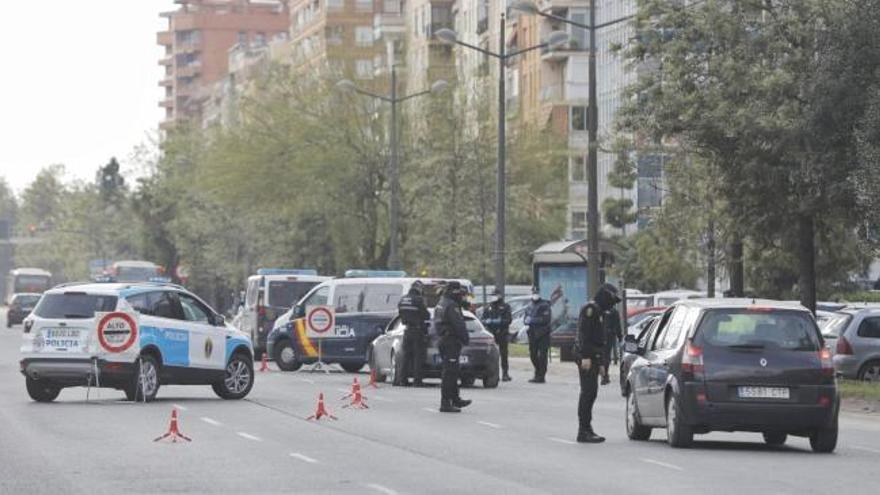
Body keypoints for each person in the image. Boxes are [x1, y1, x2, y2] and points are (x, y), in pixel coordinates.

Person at [575, 283, 621, 444]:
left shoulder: (600, 311)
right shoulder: (590, 309)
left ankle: (587, 428)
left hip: (594, 356)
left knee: (592, 393)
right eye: (612, 300)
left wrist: (601, 363)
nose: (613, 304)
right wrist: (586, 356)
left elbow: (599, 340)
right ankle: (583, 430)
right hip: (586, 357)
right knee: (587, 393)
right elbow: (584, 335)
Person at [433, 281, 472, 413]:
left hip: (444, 339)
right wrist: (465, 338)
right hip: (450, 341)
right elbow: (458, 324)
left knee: (453, 371)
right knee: (449, 373)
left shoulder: (442, 302)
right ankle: (445, 403)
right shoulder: (451, 305)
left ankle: (455, 398)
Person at [397, 281, 430, 387]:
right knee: (417, 356)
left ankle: (402, 380)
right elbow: (426, 315)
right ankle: (417, 381)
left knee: (406, 356)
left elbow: (400, 314)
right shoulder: (418, 300)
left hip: (406, 330)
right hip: (417, 330)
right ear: (418, 288)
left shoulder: (402, 299)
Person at [481, 291, 513, 382]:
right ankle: (494, 374)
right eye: (492, 296)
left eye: (495, 296)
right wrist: (488, 321)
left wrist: (500, 322)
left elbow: (509, 320)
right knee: (492, 355)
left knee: (504, 354)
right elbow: (482, 319)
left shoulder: (505, 307)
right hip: (491, 334)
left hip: (502, 333)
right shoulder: (488, 307)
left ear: (499, 296)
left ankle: (505, 373)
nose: (493, 297)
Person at [524, 288, 552, 383]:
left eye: (536, 293)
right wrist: (527, 321)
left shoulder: (545, 305)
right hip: (532, 333)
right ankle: (538, 371)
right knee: (533, 355)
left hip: (543, 333)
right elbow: (525, 319)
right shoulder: (529, 306)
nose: (535, 294)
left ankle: (541, 375)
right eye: (533, 293)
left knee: (542, 356)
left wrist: (533, 320)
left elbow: (545, 319)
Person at [602, 306, 622, 385]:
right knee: (606, 356)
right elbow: (617, 325)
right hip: (609, 336)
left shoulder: (599, 309)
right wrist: (620, 336)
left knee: (603, 356)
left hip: (600, 336)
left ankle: (604, 375)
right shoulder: (614, 311)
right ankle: (605, 375)